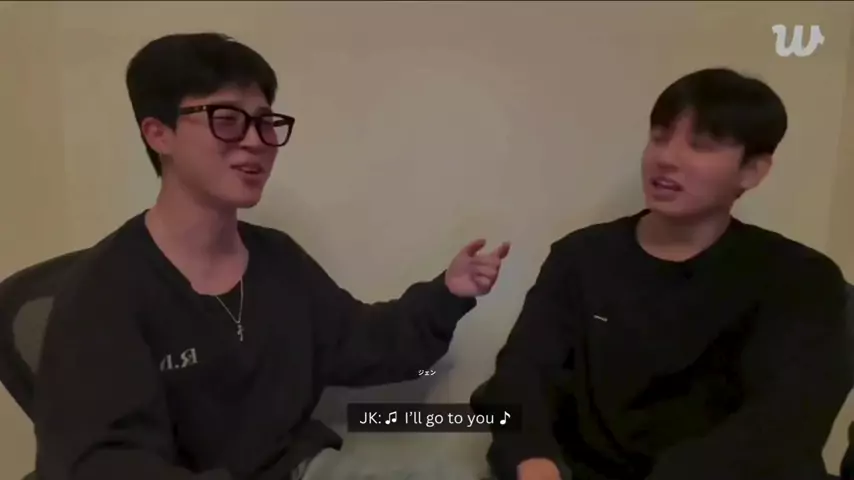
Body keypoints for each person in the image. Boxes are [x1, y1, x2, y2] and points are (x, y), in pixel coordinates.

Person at [33, 32, 510, 480]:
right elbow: (105, 464)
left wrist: (448, 294)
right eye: (226, 119)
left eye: (265, 122)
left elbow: (364, 345)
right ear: (159, 134)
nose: (256, 141)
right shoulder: (101, 294)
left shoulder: (277, 260)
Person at [472, 67, 852, 480]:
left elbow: (783, 426)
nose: (666, 158)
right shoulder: (581, 257)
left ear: (752, 170)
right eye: (659, 137)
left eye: (701, 145)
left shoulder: (802, 279)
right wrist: (533, 460)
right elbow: (522, 377)